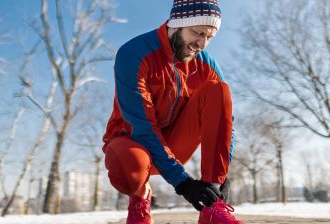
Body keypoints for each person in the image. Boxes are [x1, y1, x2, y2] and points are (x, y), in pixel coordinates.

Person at [102, 0, 243, 223]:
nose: (203, 44)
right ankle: (140, 198)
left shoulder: (207, 66)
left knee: (219, 90)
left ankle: (212, 209)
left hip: (176, 142)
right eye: (197, 33)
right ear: (177, 23)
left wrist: (220, 177)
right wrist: (183, 183)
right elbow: (142, 126)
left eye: (209, 37)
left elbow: (226, 123)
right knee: (129, 167)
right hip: (133, 141)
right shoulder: (135, 53)